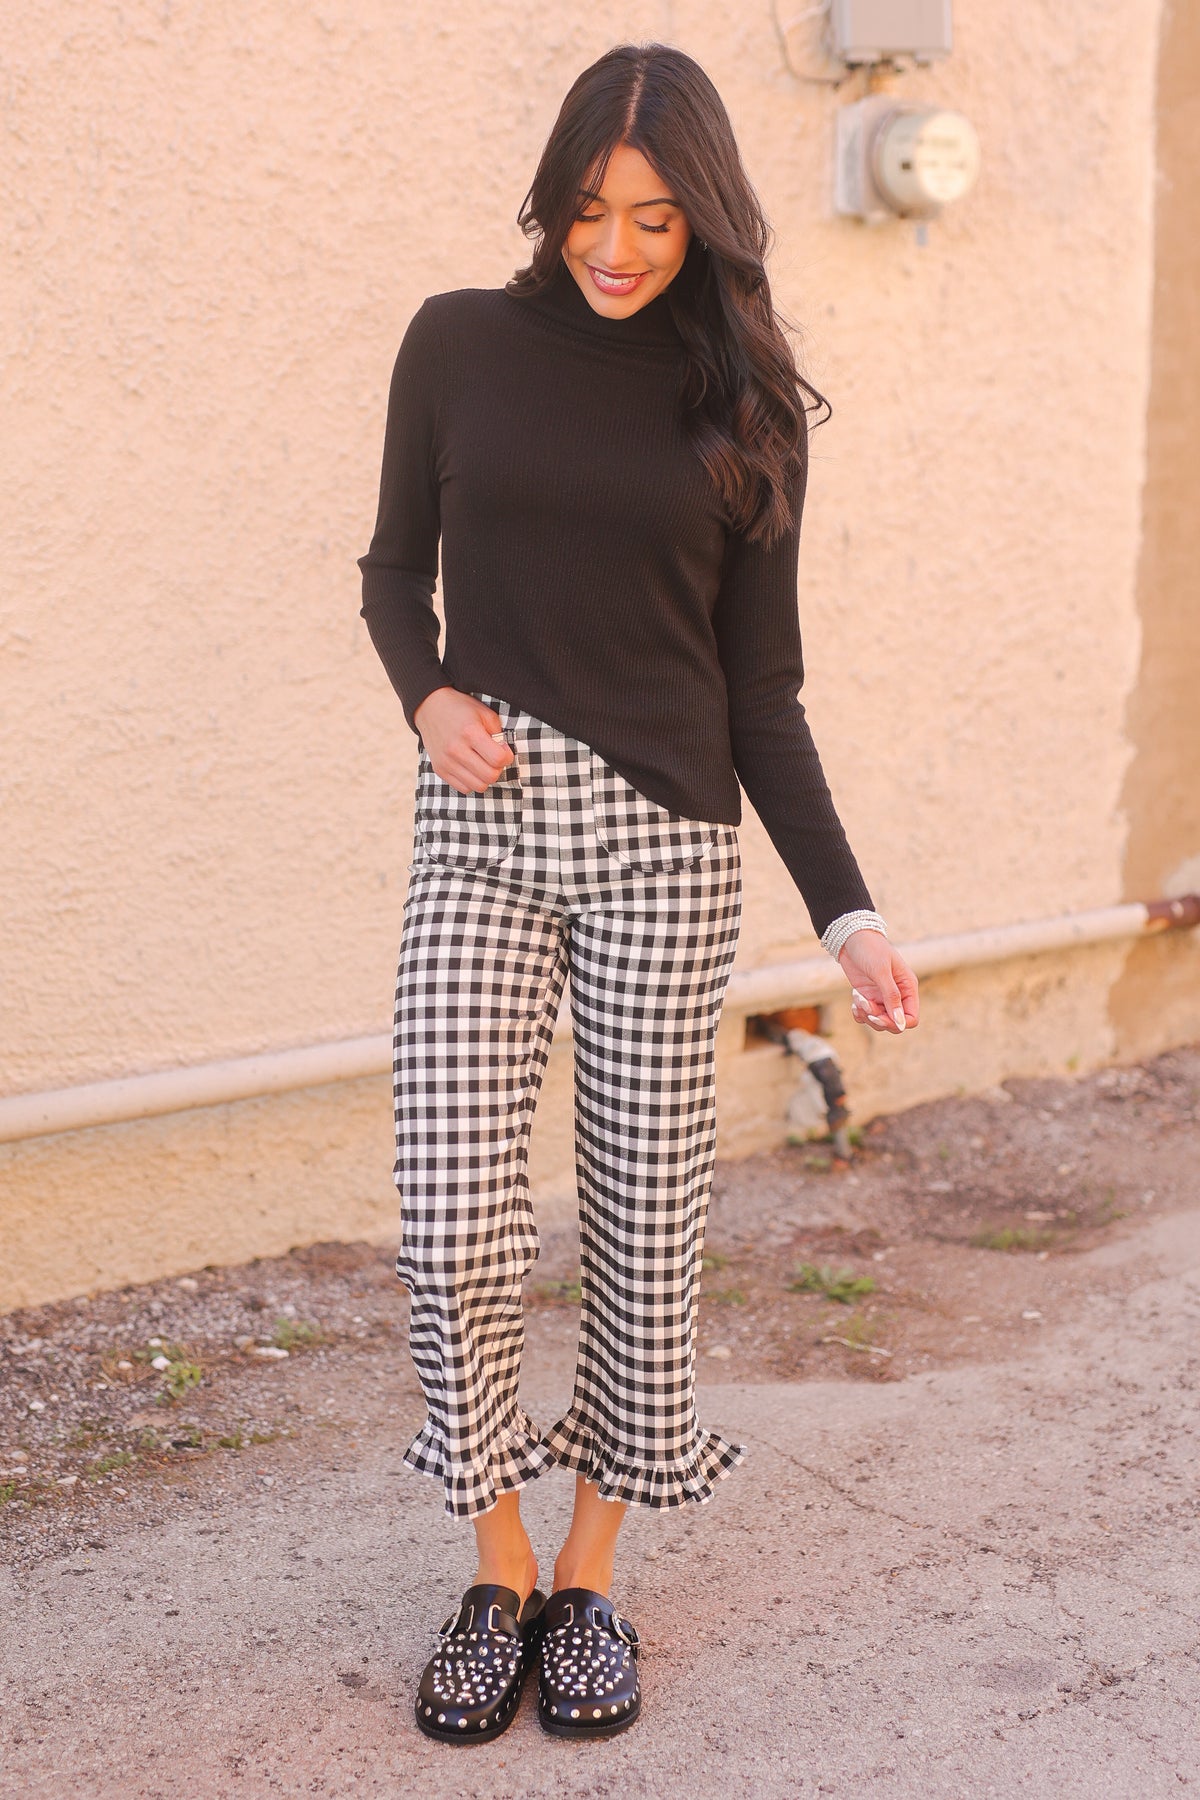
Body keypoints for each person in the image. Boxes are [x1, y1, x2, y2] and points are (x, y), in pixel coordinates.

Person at [357, 40, 920, 1744]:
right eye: (595, 212)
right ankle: (497, 1567)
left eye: (658, 220)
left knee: (640, 1227)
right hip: (487, 824)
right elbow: (394, 571)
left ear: (707, 221)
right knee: (452, 1211)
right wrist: (427, 692)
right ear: (553, 199)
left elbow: (764, 692)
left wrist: (847, 911)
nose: (617, 247)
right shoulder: (457, 343)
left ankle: (591, 1578)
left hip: (667, 850)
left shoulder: (741, 405)